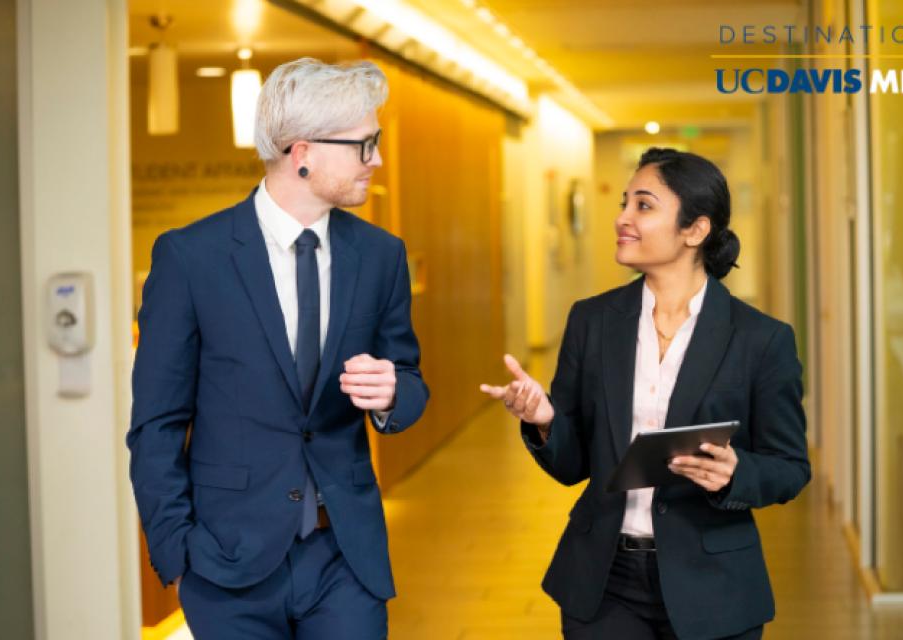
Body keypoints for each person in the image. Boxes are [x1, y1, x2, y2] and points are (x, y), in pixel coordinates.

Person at [128, 58, 428, 639]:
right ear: (302, 152)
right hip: (226, 566)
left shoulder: (380, 256)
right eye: (365, 144)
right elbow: (156, 425)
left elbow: (410, 380)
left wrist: (393, 393)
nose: (378, 160)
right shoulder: (191, 258)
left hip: (345, 558)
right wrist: (179, 553)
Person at [481, 147, 810, 639]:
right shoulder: (592, 321)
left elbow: (789, 467)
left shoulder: (761, 339)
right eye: (623, 203)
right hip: (603, 579)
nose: (623, 218)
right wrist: (546, 420)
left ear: (695, 230)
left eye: (644, 205)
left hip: (713, 584)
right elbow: (571, 467)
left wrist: (736, 473)